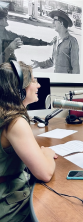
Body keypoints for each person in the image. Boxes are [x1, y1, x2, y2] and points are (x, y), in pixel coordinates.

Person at [0, 61, 57, 221]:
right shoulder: (15, 122)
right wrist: (46, 153)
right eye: (33, 80)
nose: (38, 85)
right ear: (19, 88)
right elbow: (44, 173)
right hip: (10, 208)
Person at [31, 9, 80, 74]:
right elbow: (52, 61)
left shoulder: (72, 41)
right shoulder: (56, 40)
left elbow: (75, 68)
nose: (52, 23)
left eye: (55, 20)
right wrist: (39, 64)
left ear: (61, 23)